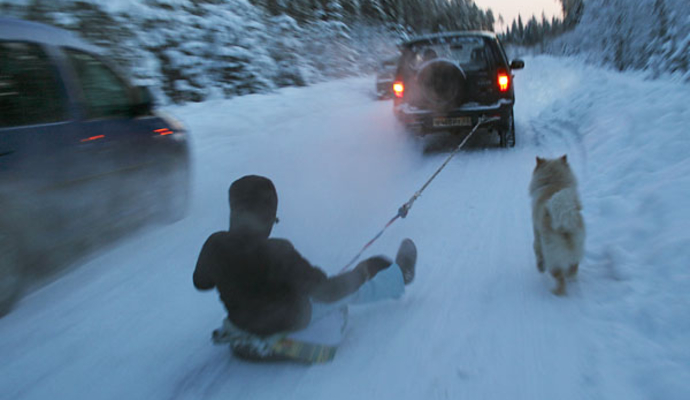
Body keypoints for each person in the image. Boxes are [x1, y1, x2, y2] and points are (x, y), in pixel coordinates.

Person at [193, 175, 416, 360]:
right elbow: (327, 292)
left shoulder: (214, 245)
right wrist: (363, 271)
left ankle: (255, 339)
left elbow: (201, 282)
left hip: (243, 321)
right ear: (267, 217)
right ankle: (400, 276)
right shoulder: (278, 251)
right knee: (348, 293)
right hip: (291, 319)